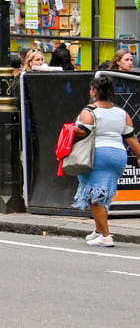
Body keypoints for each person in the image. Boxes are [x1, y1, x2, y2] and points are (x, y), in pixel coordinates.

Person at [71, 73, 140, 247]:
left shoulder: (89, 111)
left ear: (94, 91)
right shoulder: (121, 113)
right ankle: (97, 230)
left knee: (96, 196)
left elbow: (82, 132)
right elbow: (131, 137)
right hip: (118, 156)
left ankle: (106, 235)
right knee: (104, 192)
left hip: (97, 155)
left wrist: (71, 129)